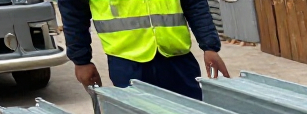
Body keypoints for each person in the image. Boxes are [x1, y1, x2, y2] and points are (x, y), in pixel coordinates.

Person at [60, 0, 230, 100]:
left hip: (178, 57)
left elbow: (194, 3)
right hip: (127, 61)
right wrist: (81, 60)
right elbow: (73, 12)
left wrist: (209, 46)